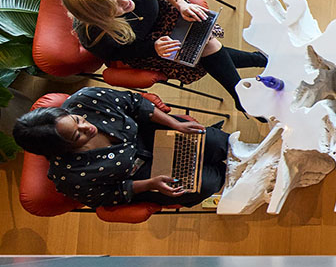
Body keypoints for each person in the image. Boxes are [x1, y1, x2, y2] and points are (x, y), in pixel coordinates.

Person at [61, 0, 266, 113]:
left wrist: (181, 4)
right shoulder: (94, 36)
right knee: (204, 48)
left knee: (204, 46)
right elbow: (120, 53)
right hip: (145, 46)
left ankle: (245, 87)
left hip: (168, 12)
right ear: (100, 18)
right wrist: (153, 47)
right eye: (118, 8)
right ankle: (255, 68)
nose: (126, 1)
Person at [12, 86, 229, 208]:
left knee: (220, 144)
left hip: (151, 133)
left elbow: (135, 102)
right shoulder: (70, 177)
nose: (86, 127)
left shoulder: (85, 100)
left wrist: (173, 123)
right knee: (208, 182)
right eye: (76, 135)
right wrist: (150, 184)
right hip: (142, 175)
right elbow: (110, 195)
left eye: (77, 120)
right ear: (60, 149)